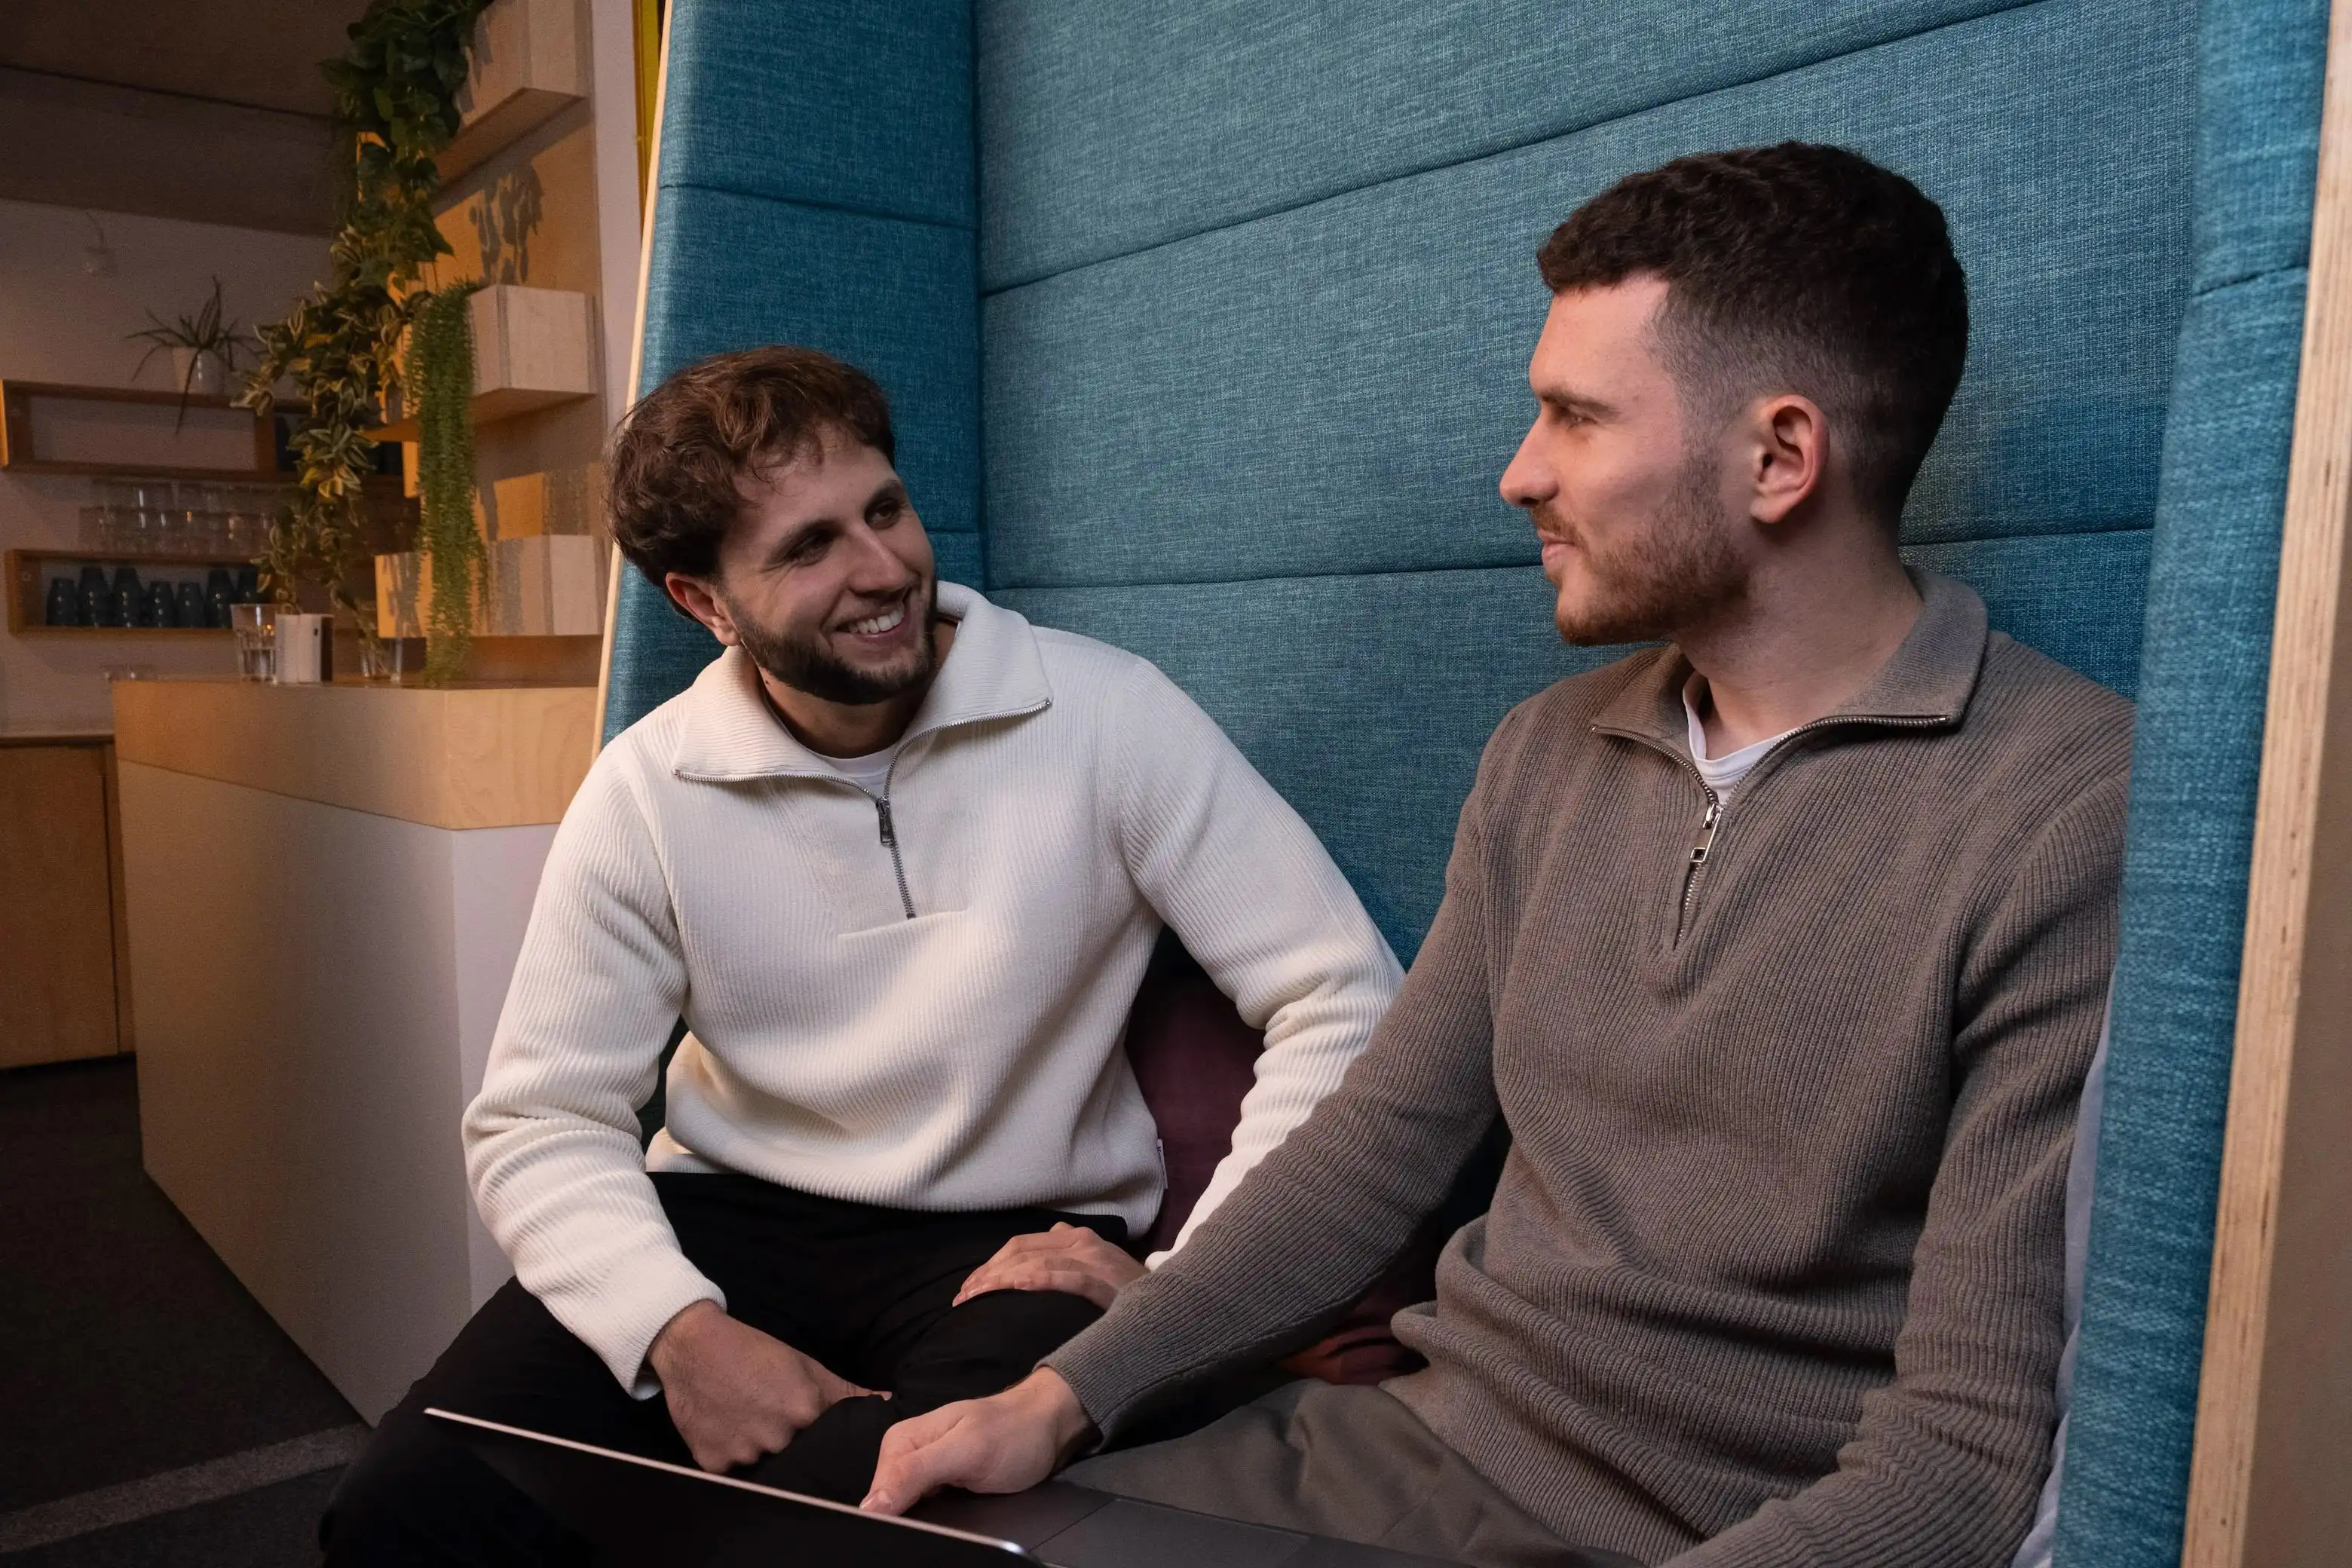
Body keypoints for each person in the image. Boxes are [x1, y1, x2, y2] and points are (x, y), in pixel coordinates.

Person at [862, 142, 2133, 1568]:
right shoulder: (1547, 752)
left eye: (1577, 418)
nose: (1520, 472)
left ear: (1780, 457)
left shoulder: (2061, 807)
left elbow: (1964, 1462)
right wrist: (1065, 1398)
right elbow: (1373, 1153)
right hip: (1406, 1449)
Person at [319, 347, 1403, 1563]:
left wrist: (1181, 1283)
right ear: (705, 603)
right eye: (808, 547)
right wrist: (675, 1331)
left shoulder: (1109, 714)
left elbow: (1343, 998)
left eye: (883, 510)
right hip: (727, 1218)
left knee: (886, 1523)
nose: (884, 569)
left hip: (1016, 1235)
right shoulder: (644, 789)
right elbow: (539, 1117)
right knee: (403, 1508)